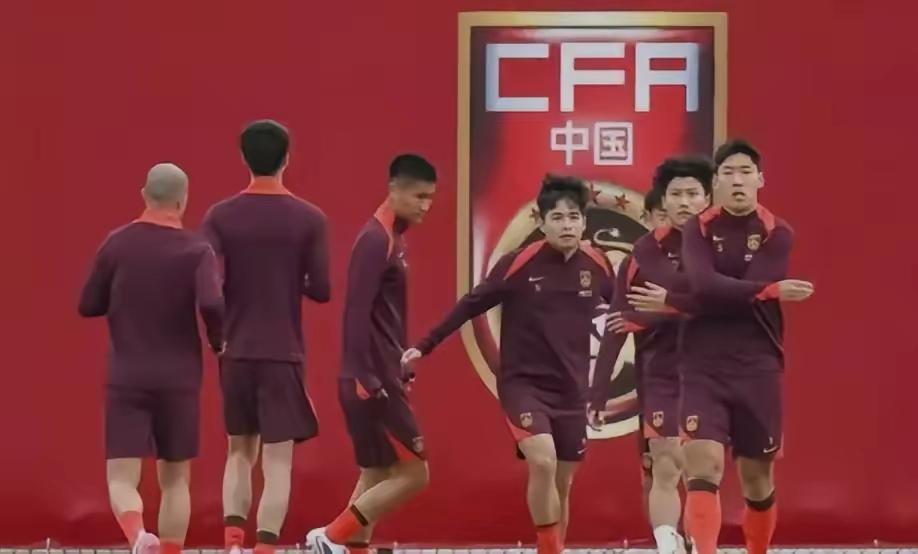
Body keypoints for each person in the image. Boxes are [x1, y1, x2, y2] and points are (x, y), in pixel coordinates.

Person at [401, 175, 614, 554]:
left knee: (562, 483)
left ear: (584, 223)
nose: (566, 225)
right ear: (542, 223)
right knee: (543, 462)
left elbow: (625, 314)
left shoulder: (598, 264)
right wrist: (423, 346)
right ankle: (549, 548)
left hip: (572, 390)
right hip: (523, 386)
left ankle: (553, 548)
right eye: (557, 218)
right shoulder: (519, 263)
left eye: (573, 217)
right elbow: (470, 305)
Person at [627, 140, 814, 554]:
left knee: (757, 479)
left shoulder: (778, 232)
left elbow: (714, 292)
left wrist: (676, 300)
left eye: (745, 172)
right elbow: (705, 285)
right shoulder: (698, 228)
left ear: (760, 179)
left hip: (758, 365)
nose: (737, 181)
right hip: (700, 366)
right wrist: (769, 290)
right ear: (717, 183)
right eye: (728, 173)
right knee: (703, 466)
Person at [78, 163, 224, 554]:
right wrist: (217, 339)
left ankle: (137, 535)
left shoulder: (117, 244)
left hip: (128, 375)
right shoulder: (197, 250)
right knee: (175, 479)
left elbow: (88, 304)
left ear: (144, 194)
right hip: (180, 378)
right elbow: (212, 303)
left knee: (121, 476)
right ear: (183, 200)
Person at [201, 120, 331, 554]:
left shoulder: (219, 216)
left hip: (236, 351)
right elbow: (322, 288)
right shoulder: (310, 219)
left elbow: (209, 285)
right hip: (282, 352)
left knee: (238, 452)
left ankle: (233, 544)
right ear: (287, 158)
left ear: (243, 158)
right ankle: (265, 548)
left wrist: (218, 337)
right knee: (277, 462)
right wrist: (290, 278)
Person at [304, 154, 437, 554]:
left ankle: (342, 544)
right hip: (371, 378)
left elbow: (382, 315)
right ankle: (329, 537)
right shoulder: (376, 239)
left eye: (430, 197)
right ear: (393, 189)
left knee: (377, 472)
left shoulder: (394, 238)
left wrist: (400, 363)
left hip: (382, 372)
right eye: (419, 196)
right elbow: (355, 311)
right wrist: (364, 375)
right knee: (415, 474)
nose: (426, 205)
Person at [590, 156, 713, 554]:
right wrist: (598, 393)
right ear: (664, 200)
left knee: (701, 471)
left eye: (693, 194)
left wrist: (658, 313)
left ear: (707, 199)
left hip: (712, 372)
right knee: (665, 463)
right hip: (661, 374)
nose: (684, 203)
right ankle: (667, 544)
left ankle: (698, 541)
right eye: (676, 195)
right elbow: (617, 324)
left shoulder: (721, 250)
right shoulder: (641, 255)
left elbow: (728, 308)